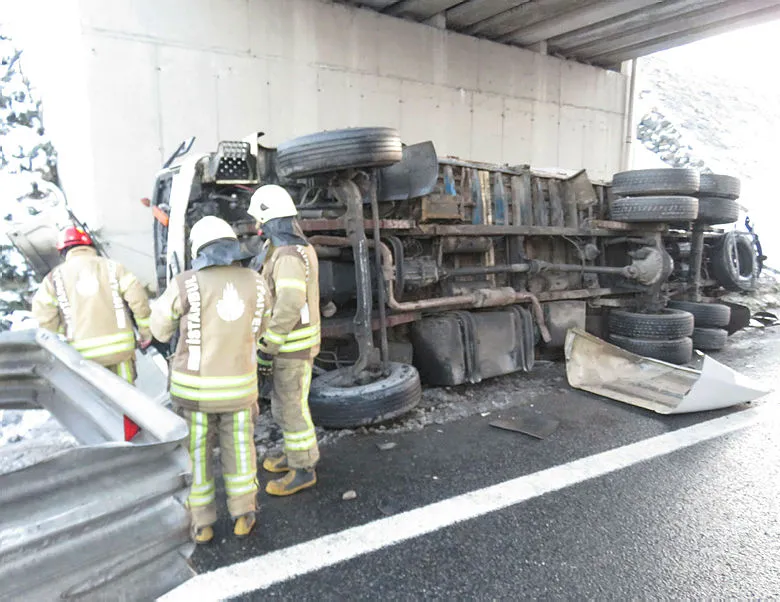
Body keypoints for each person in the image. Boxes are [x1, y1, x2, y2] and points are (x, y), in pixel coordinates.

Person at [150, 216, 270, 543]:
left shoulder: (186, 282)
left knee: (196, 453)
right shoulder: (256, 281)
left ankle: (201, 522)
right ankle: (244, 512)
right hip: (240, 389)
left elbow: (159, 326)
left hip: (195, 394)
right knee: (241, 449)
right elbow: (261, 327)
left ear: (199, 250)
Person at [247, 184, 321, 496]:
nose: (256, 227)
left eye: (258, 221)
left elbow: (289, 303)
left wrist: (268, 347)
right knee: (284, 406)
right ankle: (295, 456)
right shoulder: (291, 250)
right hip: (292, 347)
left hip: (291, 348)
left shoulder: (289, 256)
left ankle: (303, 469)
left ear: (269, 220)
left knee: (291, 409)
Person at [31, 225, 151, 382]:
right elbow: (138, 299)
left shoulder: (53, 279)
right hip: (121, 348)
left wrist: (65, 334)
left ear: (63, 252)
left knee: (100, 402)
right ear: (89, 245)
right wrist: (145, 330)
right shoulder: (113, 267)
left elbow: (44, 319)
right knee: (126, 396)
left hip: (82, 356)